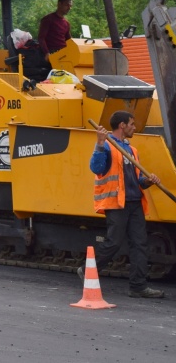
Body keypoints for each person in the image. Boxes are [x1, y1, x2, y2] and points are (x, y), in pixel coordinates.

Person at [86, 110, 165, 298]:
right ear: (122, 125)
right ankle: (88, 269)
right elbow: (96, 169)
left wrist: (148, 181)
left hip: (134, 202)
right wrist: (98, 143)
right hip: (116, 203)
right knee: (114, 243)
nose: (134, 127)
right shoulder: (107, 146)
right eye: (131, 124)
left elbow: (138, 180)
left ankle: (138, 287)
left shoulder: (131, 150)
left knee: (140, 244)